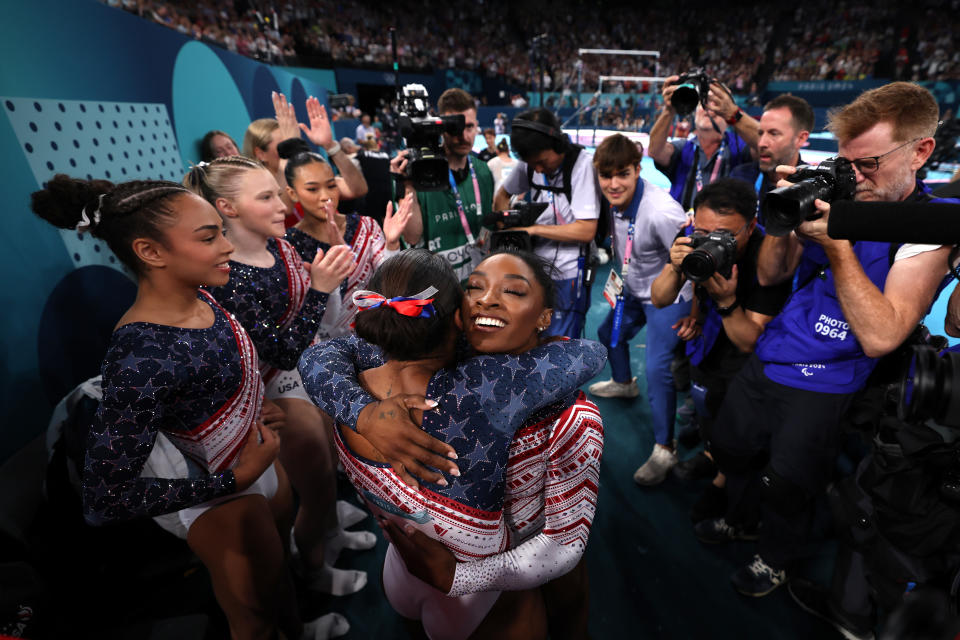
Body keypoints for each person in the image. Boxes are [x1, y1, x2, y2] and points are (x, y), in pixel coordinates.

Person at [31, 175, 348, 639]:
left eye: (221, 230)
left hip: (256, 459)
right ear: (151, 252)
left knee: (277, 574)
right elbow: (104, 498)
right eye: (208, 236)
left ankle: (296, 628)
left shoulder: (205, 296)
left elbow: (218, 379)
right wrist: (233, 479)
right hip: (218, 496)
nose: (225, 247)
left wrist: (254, 409)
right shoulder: (141, 354)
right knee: (252, 620)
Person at [699, 82, 954, 598]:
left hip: (830, 379)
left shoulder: (928, 224)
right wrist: (784, 216)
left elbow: (882, 335)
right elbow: (770, 276)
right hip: (772, 353)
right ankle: (743, 520)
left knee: (789, 486)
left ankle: (776, 558)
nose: (855, 178)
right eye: (847, 163)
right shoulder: (837, 192)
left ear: (921, 151)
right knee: (728, 447)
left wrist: (835, 247)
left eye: (870, 164)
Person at [299, 249, 606, 640]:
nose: (487, 298)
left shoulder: (366, 374)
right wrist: (457, 577)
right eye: (474, 286)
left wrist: (360, 411)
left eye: (512, 291)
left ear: (545, 315)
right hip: (483, 592)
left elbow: (321, 355)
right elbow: (587, 353)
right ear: (457, 315)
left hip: (409, 571)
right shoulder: (559, 410)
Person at [184, 156, 369, 597]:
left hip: (306, 371)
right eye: (266, 196)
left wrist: (330, 283)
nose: (282, 205)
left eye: (278, 193)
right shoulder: (229, 275)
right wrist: (321, 291)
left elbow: (315, 316)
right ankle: (314, 568)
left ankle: (330, 532)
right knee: (317, 483)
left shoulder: (280, 245)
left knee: (330, 465)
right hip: (270, 386)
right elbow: (282, 351)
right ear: (227, 208)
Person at [649, 178, 791, 519]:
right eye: (703, 230)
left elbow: (749, 341)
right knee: (707, 405)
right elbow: (660, 297)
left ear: (752, 226)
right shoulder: (692, 237)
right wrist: (675, 265)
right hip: (708, 339)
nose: (712, 242)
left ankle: (725, 481)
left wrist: (726, 301)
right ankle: (715, 455)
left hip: (750, 354)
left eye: (725, 235)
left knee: (740, 423)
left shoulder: (765, 259)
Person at [583, 134, 691, 485]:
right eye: (606, 175)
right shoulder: (605, 200)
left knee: (658, 369)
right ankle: (623, 382)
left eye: (623, 174)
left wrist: (695, 308)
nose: (614, 184)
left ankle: (665, 448)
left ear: (637, 170)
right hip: (630, 286)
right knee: (606, 334)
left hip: (667, 295)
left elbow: (690, 264)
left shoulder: (662, 212)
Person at [281, 139, 413, 339]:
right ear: (292, 193)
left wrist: (392, 244)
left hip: (377, 337)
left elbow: (392, 285)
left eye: (331, 185)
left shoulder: (365, 226)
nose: (326, 196)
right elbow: (309, 317)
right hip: (327, 350)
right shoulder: (288, 245)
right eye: (312, 189)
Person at [493, 108, 601, 338]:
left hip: (571, 271)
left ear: (558, 145)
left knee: (559, 344)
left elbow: (586, 230)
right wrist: (507, 229)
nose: (538, 170)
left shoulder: (582, 166)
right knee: (530, 336)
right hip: (534, 268)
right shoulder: (530, 162)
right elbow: (501, 196)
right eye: (533, 165)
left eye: (542, 162)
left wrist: (531, 230)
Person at [394, 88, 495, 283]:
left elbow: (489, 227)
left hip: (478, 287)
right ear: (440, 127)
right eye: (455, 128)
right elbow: (412, 237)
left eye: (469, 127)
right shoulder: (416, 174)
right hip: (437, 291)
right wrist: (407, 184)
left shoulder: (483, 171)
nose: (463, 136)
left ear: (477, 127)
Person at [244, 92, 368, 220]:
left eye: (294, 141)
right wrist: (289, 150)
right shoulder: (255, 192)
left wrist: (331, 146)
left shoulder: (308, 176)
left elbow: (358, 189)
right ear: (260, 154)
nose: (292, 148)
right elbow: (284, 208)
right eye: (283, 145)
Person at [647, 75, 758, 212]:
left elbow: (765, 145)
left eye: (716, 103)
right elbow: (655, 151)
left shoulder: (740, 147)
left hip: (727, 229)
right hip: (684, 229)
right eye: (704, 101)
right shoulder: (684, 149)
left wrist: (734, 114)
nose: (709, 108)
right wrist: (670, 109)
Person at [729, 95, 815, 226]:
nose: (761, 143)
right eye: (760, 133)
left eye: (773, 133)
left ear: (801, 139)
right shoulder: (740, 177)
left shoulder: (813, 188)